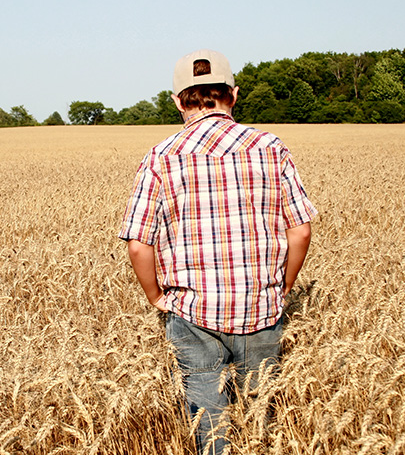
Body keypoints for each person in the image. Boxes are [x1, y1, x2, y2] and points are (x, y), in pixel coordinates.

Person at [118, 49, 317, 453]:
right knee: (260, 421)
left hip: (192, 313)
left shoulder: (161, 156)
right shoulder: (270, 147)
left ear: (177, 100)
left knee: (209, 429)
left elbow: (139, 244)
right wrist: (281, 286)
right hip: (261, 307)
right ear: (234, 94)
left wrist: (156, 296)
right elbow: (301, 230)